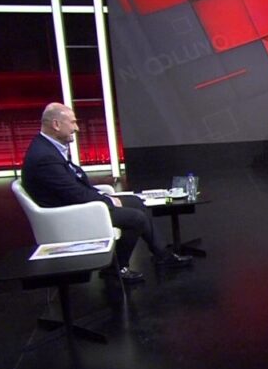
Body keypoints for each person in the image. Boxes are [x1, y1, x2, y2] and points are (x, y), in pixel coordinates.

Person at [21, 103, 191, 283]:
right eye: (73, 122)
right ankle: (116, 268)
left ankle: (162, 255)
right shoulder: (44, 157)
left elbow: (74, 185)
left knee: (135, 201)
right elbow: (74, 194)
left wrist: (106, 198)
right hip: (68, 214)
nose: (76, 128)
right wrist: (107, 201)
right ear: (56, 124)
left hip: (74, 204)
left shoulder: (48, 147)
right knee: (135, 218)